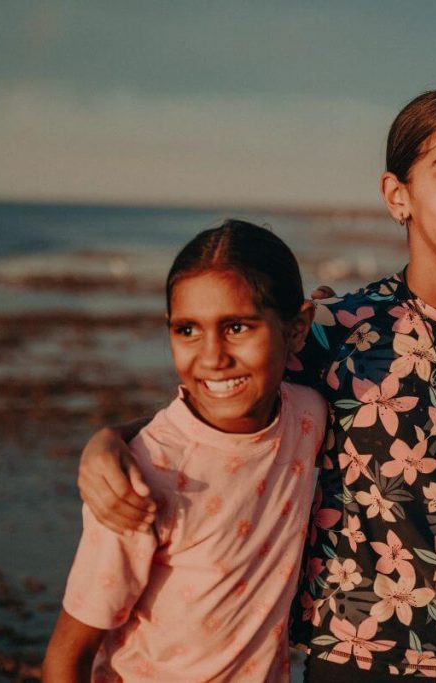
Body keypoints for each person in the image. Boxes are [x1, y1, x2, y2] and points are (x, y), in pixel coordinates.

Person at [75, 88, 436, 682]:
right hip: (350, 661)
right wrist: (108, 441)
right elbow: (216, 410)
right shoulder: (333, 333)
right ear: (396, 196)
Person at [42, 220, 327, 681]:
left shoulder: (308, 415)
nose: (212, 356)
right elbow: (67, 657)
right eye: (188, 330)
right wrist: (111, 440)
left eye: (237, 327)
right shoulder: (138, 478)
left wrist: (109, 432)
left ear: (297, 330)